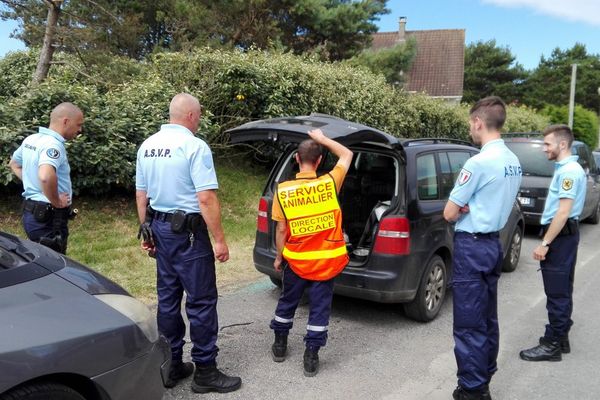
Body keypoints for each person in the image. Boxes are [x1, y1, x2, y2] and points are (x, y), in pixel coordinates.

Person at [135, 93, 241, 393]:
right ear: (193, 116)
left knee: (167, 299)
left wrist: (146, 231)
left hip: (160, 228)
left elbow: (141, 194)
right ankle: (205, 371)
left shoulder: (148, 146)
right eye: (200, 116)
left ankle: (171, 366)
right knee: (201, 301)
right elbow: (205, 197)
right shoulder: (194, 146)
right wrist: (219, 240)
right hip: (189, 236)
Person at [443, 96, 522, 400]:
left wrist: (462, 208)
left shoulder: (478, 162)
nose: (470, 129)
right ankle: (484, 373)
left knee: (468, 322)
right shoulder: (512, 161)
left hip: (472, 246)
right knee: (487, 317)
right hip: (493, 244)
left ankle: (473, 390)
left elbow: (450, 212)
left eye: (470, 123)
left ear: (478, 121)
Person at [269, 128, 353, 377]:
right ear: (318, 161)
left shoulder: (283, 190)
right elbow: (347, 154)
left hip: (296, 262)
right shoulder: (329, 183)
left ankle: (280, 345)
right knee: (319, 309)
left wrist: (278, 256)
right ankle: (311, 356)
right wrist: (323, 139)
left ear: (296, 158)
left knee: (287, 301)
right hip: (325, 263)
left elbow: (282, 228)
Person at [519, 125, 586, 362]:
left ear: (562, 145)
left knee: (557, 292)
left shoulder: (568, 172)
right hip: (566, 236)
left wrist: (545, 243)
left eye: (548, 144)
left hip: (559, 237)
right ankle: (561, 338)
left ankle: (553, 345)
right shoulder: (569, 169)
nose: (544, 149)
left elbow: (563, 212)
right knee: (563, 289)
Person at [9, 102, 84, 254]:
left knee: (40, 261)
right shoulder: (53, 145)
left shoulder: (32, 139)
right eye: (78, 125)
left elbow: (14, 164)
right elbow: (45, 176)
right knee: (54, 267)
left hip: (32, 214)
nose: (80, 130)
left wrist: (34, 184)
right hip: (49, 217)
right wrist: (57, 202)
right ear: (65, 121)